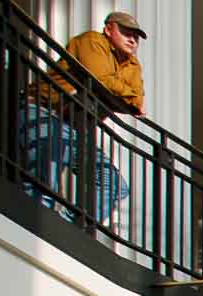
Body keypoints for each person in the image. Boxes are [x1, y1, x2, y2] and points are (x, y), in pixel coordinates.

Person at [23, 10, 143, 224]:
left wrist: (119, 92)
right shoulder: (91, 41)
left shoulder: (132, 64)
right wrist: (121, 92)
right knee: (45, 178)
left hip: (74, 125)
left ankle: (69, 225)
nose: (132, 39)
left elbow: (137, 102)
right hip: (43, 111)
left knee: (114, 185)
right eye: (126, 32)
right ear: (108, 29)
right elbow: (99, 79)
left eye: (136, 36)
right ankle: (35, 225)